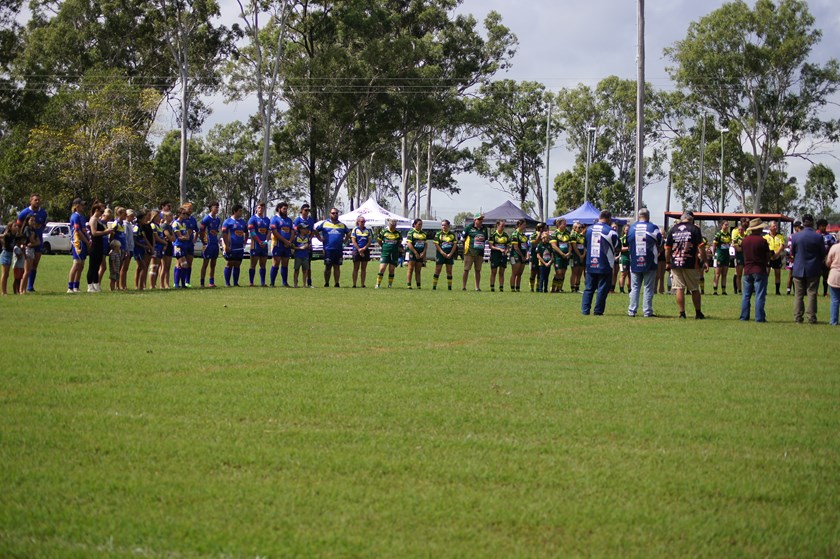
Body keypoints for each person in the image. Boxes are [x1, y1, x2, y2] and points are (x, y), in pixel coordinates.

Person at [665, 211, 708, 319]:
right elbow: (701, 247)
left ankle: (682, 313)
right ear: (691, 219)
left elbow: (667, 248)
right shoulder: (694, 229)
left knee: (679, 288)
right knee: (694, 288)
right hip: (690, 263)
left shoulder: (673, 229)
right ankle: (698, 313)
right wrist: (705, 261)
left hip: (676, 263)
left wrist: (667, 262)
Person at [581, 211, 621, 316]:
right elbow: (618, 247)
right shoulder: (611, 231)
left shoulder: (588, 230)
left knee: (589, 288)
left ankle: (585, 310)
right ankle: (598, 311)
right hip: (605, 263)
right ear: (609, 219)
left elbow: (585, 245)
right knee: (602, 289)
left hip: (590, 262)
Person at [790, 214, 826, 324]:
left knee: (798, 295)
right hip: (813, 269)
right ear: (812, 222)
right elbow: (822, 253)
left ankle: (798, 317)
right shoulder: (818, 237)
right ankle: (811, 317)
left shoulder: (796, 236)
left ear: (803, 223)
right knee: (812, 293)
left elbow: (792, 252)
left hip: (798, 268)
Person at [626, 208, 662, 318]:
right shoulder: (653, 228)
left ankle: (632, 310)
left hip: (635, 261)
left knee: (635, 287)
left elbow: (627, 242)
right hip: (649, 261)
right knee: (648, 287)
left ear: (638, 216)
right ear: (648, 216)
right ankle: (647, 311)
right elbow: (660, 242)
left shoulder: (631, 228)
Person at [739, 218, 771, 322]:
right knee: (759, 295)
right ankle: (759, 317)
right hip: (759, 269)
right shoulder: (762, 241)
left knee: (746, 295)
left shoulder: (745, 240)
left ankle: (744, 316)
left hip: (747, 270)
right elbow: (767, 255)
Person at [16, 193, 47, 292]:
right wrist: (21, 241)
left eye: (38, 200)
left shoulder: (43, 213)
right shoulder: (24, 213)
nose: (37, 201)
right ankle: (21, 287)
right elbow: (18, 227)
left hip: (38, 242)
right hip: (28, 244)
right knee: (26, 266)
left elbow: (43, 225)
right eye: (35, 200)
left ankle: (30, 286)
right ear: (31, 201)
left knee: (35, 264)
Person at [316, 207, 350, 288]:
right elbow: (315, 231)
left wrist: (345, 240)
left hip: (338, 249)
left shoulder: (342, 225)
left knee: (337, 266)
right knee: (328, 267)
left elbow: (349, 233)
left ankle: (337, 283)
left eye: (336, 213)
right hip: (328, 249)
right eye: (333, 213)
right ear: (330, 214)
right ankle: (326, 283)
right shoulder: (324, 223)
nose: (335, 214)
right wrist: (320, 239)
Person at [86, 202, 113, 292]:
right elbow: (94, 232)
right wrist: (106, 232)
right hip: (94, 245)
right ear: (97, 210)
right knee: (92, 266)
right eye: (101, 211)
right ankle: (90, 286)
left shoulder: (98, 220)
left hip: (100, 244)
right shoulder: (93, 219)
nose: (102, 213)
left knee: (97, 265)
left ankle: (96, 284)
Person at [67, 198, 91, 293]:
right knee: (76, 264)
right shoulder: (75, 216)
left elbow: (84, 230)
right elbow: (78, 231)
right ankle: (70, 287)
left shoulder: (82, 217)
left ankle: (76, 286)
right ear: (76, 206)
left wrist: (89, 240)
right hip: (78, 243)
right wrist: (86, 241)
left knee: (81, 265)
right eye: (81, 205)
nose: (83, 207)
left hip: (84, 242)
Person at [461, 213, 488, 291]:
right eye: (479, 219)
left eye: (482, 219)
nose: (481, 221)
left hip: (480, 252)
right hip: (469, 252)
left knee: (478, 270)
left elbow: (485, 238)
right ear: (475, 220)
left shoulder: (484, 229)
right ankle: (464, 286)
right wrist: (467, 248)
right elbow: (462, 239)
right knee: (466, 269)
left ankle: (477, 287)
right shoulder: (468, 228)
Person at [221, 204, 247, 287]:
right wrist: (226, 245)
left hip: (239, 247)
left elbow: (246, 232)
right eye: (239, 211)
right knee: (229, 263)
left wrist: (245, 241)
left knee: (237, 264)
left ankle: (236, 283)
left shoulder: (242, 222)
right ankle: (227, 283)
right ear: (234, 211)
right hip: (231, 247)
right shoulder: (227, 222)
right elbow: (224, 234)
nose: (241, 213)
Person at [269, 202, 294, 287]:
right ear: (279, 209)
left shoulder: (289, 220)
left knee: (285, 263)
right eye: (284, 209)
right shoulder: (274, 219)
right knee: (276, 263)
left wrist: (289, 241)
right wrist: (284, 241)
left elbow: (292, 231)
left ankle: (285, 282)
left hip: (287, 245)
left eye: (287, 209)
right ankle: (272, 283)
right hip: (278, 244)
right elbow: (274, 232)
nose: (286, 210)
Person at [247, 201, 270, 287]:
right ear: (256, 208)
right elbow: (252, 231)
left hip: (264, 245)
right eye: (259, 207)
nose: (261, 209)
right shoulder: (252, 219)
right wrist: (259, 241)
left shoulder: (267, 220)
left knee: (263, 264)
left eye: (262, 208)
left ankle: (263, 282)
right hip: (255, 245)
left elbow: (269, 232)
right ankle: (251, 282)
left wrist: (266, 241)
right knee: (253, 264)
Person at [293, 204, 316, 287]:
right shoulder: (297, 220)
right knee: (296, 269)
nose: (307, 212)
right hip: (298, 253)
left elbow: (313, 230)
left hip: (306, 250)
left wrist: (309, 240)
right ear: (301, 210)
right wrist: (300, 246)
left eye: (308, 210)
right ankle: (295, 284)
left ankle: (307, 283)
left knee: (307, 267)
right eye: (305, 210)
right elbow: (294, 232)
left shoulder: (311, 220)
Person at [199, 202, 221, 288]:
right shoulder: (206, 219)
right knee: (205, 263)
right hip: (208, 245)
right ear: (211, 208)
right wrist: (204, 242)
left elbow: (216, 231)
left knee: (213, 264)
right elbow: (201, 231)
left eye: (218, 207)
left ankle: (211, 282)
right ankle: (202, 283)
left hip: (215, 244)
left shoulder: (218, 219)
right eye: (216, 207)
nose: (217, 209)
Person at [375, 219, 402, 289]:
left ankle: (390, 284)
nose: (392, 226)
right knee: (382, 268)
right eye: (391, 225)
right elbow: (379, 240)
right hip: (385, 253)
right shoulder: (384, 232)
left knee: (392, 269)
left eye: (394, 225)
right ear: (389, 224)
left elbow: (400, 242)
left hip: (394, 253)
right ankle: (378, 284)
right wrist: (383, 246)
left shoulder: (398, 233)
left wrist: (395, 247)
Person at [432, 219, 457, 290]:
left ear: (448, 226)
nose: (443, 227)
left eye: (445, 225)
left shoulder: (452, 235)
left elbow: (454, 245)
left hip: (449, 255)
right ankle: (434, 287)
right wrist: (442, 252)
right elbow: (436, 244)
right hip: (440, 255)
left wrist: (450, 254)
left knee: (449, 270)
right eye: (442, 225)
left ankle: (449, 287)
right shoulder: (438, 234)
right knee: (438, 270)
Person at [172, 207, 193, 288]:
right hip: (178, 246)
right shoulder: (175, 223)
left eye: (186, 214)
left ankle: (181, 284)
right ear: (178, 214)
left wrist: (185, 237)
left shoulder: (183, 224)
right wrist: (184, 237)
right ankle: (178, 284)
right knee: (184, 264)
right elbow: (180, 237)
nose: (185, 215)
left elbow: (187, 236)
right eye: (183, 214)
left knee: (180, 265)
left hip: (184, 246)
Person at [549, 218, 571, 293]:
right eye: (564, 224)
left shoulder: (567, 233)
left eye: (565, 224)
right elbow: (554, 246)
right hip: (558, 256)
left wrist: (569, 252)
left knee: (563, 273)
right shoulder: (554, 234)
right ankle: (553, 288)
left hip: (566, 256)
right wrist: (562, 254)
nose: (565, 225)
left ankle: (559, 288)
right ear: (559, 224)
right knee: (558, 273)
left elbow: (570, 244)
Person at [19, 214, 39, 295]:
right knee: (26, 271)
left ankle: (24, 289)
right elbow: (31, 240)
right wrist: (34, 241)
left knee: (29, 271)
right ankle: (21, 290)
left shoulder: (33, 230)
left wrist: (34, 242)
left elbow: (38, 242)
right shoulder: (27, 229)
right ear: (27, 221)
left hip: (31, 249)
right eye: (31, 220)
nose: (33, 222)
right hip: (27, 250)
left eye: (34, 220)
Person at [763, 220, 785, 295]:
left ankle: (777, 291)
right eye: (773, 226)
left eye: (776, 226)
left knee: (778, 273)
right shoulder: (765, 237)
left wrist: (777, 254)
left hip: (777, 256)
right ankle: (764, 290)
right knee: (766, 273)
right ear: (770, 227)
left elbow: (782, 246)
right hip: (768, 257)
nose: (775, 227)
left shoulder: (780, 236)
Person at [405, 218, 427, 289]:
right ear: (415, 225)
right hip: (412, 252)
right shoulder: (411, 232)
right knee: (410, 269)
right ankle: (409, 285)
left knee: (418, 270)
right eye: (419, 224)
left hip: (420, 253)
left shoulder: (423, 233)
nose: (420, 226)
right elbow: (409, 243)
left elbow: (425, 244)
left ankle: (418, 285)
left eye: (421, 224)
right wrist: (415, 252)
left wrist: (423, 252)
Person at [350, 216, 372, 288]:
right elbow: (353, 240)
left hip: (365, 250)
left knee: (364, 268)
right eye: (361, 221)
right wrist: (359, 249)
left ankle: (362, 284)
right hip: (356, 250)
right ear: (358, 222)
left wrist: (364, 248)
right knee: (356, 268)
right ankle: (354, 284)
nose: (363, 223)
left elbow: (369, 240)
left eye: (364, 221)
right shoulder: (355, 230)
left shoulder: (367, 230)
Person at [817, 218, 836, 297]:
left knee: (825, 276)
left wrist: (829, 256)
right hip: (817, 259)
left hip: (826, 259)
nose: (824, 227)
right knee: (816, 277)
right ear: (818, 226)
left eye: (825, 226)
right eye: (822, 226)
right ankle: (815, 292)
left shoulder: (830, 237)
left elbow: (833, 247)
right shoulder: (815, 235)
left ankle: (825, 293)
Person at [508, 219, 529, 292]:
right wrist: (522, 256)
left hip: (523, 256)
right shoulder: (515, 234)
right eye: (524, 225)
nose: (525, 226)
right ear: (519, 225)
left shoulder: (523, 235)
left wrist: (526, 255)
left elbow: (526, 246)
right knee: (514, 272)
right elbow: (515, 247)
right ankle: (512, 288)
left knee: (520, 273)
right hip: (515, 256)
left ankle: (518, 288)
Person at [488, 220, 509, 292]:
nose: (503, 227)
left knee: (502, 272)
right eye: (501, 226)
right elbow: (490, 246)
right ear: (497, 225)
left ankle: (501, 287)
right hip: (495, 255)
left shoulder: (505, 235)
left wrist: (506, 250)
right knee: (493, 272)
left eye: (504, 226)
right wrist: (499, 249)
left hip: (503, 256)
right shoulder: (493, 235)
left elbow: (507, 245)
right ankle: (492, 287)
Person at [712, 220, 732, 295]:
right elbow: (714, 245)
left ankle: (723, 290)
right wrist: (714, 255)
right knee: (717, 274)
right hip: (719, 255)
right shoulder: (718, 234)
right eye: (725, 225)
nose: (727, 226)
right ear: (722, 225)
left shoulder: (729, 235)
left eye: (727, 225)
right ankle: (715, 290)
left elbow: (729, 244)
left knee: (724, 274)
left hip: (726, 256)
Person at [1, 219, 19, 295]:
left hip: (10, 254)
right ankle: (3, 292)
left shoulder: (14, 235)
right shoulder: (7, 235)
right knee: (5, 274)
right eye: (15, 226)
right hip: (5, 254)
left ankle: (4, 291)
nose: (17, 227)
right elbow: (1, 236)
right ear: (10, 227)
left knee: (7, 274)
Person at [825, 232, 840, 326]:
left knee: (834, 300)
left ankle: (833, 321)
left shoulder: (834, 247)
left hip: (835, 275)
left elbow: (828, 261)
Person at [730, 218, 747, 294]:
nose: (740, 231)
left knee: (747, 275)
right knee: (738, 274)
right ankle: (738, 290)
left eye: (742, 230)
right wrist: (742, 248)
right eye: (739, 230)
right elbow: (737, 248)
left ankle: (747, 289)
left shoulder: (747, 237)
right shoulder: (736, 237)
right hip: (739, 256)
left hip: (746, 257)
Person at [528, 222, 546, 291]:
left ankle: (538, 287)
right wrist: (538, 236)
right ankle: (531, 287)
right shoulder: (533, 235)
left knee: (540, 272)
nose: (546, 229)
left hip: (542, 256)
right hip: (534, 256)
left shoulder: (545, 235)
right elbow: (534, 243)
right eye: (544, 228)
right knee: (533, 272)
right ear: (541, 229)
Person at [785, 220, 802, 295]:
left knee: (798, 275)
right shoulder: (792, 236)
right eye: (798, 227)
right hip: (793, 258)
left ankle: (796, 290)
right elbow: (790, 246)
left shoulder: (802, 235)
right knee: (791, 274)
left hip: (799, 258)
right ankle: (788, 290)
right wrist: (791, 255)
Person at [160, 211, 175, 289]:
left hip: (170, 246)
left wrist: (171, 238)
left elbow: (173, 238)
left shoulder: (170, 226)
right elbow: (168, 235)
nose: (172, 217)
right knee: (164, 266)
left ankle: (167, 284)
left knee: (168, 266)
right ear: (165, 217)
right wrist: (170, 237)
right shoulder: (164, 226)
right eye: (170, 216)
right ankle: (161, 284)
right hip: (164, 246)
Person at [569, 221, 586, 293]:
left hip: (583, 255)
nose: (580, 229)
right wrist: (580, 255)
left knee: (580, 272)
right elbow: (574, 246)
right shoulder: (573, 235)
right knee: (574, 272)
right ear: (574, 228)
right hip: (575, 255)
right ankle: (572, 288)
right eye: (579, 227)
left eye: (581, 227)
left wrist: (583, 255)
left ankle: (577, 287)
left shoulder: (582, 236)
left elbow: (585, 246)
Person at [618, 223, 630, 294]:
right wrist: (628, 248)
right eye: (626, 230)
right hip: (624, 258)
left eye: (629, 230)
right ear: (624, 231)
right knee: (623, 274)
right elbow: (620, 249)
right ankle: (621, 290)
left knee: (630, 274)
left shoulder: (632, 238)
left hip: (631, 258)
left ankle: (630, 289)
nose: (628, 231)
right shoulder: (622, 238)